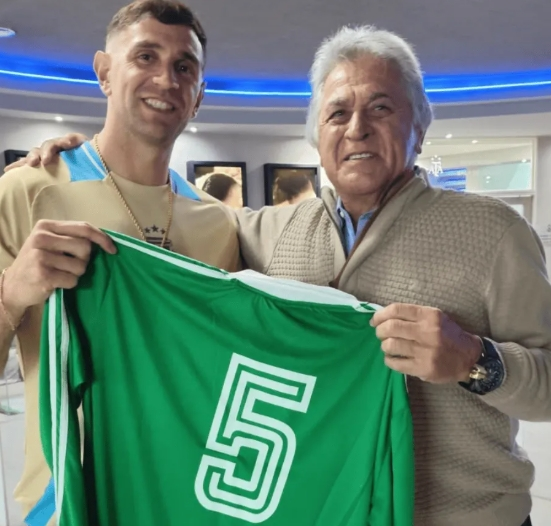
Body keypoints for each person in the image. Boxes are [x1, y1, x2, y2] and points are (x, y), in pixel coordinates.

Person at [11, 25, 550, 526]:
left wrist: (476, 360)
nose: (357, 128)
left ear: (420, 126)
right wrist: (78, 159)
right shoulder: (265, 230)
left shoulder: (494, 233)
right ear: (317, 136)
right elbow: (172, 221)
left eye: (381, 107)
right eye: (337, 113)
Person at [0, 0, 239, 521]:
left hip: (185, 498)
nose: (166, 79)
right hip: (65, 503)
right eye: (145, 57)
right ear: (105, 73)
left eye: (184, 67)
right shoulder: (27, 191)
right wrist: (12, 293)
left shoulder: (219, 223)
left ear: (199, 96)